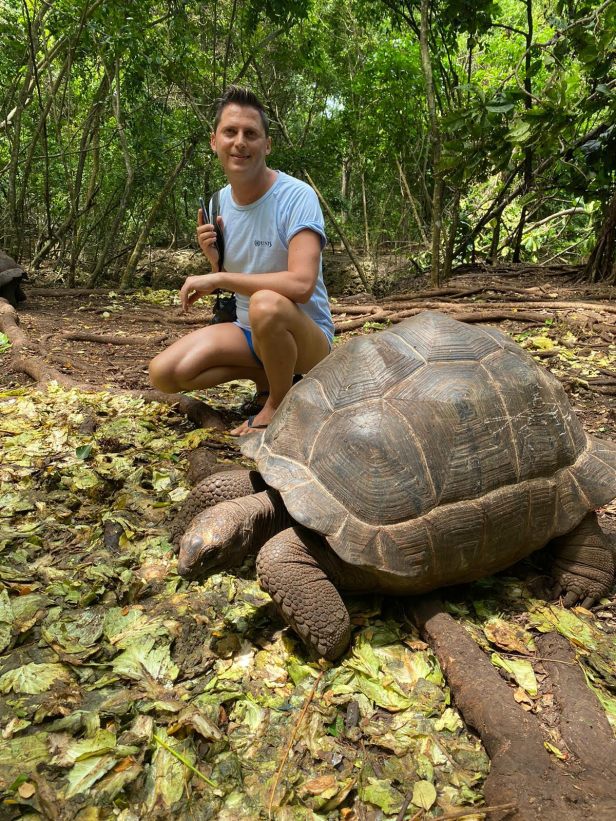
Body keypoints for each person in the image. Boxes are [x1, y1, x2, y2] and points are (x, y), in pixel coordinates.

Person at [149, 86, 334, 435]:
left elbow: (301, 285)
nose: (240, 142)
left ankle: (278, 403)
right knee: (165, 372)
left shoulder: (296, 197)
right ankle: (270, 376)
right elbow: (234, 283)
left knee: (266, 305)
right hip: (250, 331)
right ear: (214, 141)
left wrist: (218, 279)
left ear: (267, 145)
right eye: (230, 132)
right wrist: (215, 264)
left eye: (251, 134)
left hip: (306, 337)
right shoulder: (218, 203)